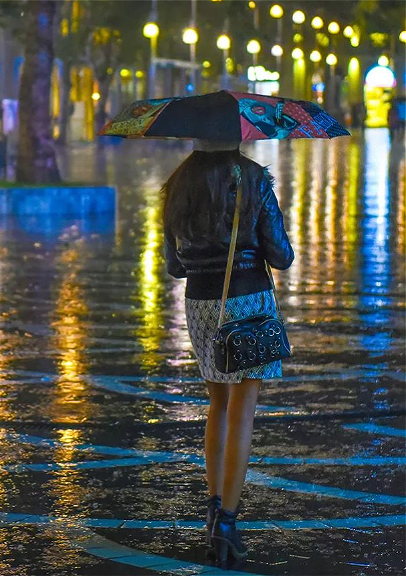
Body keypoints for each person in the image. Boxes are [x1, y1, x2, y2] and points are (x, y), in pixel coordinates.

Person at [162, 139, 294, 567]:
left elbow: (174, 265)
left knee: (217, 404)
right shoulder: (252, 178)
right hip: (247, 301)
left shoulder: (178, 183)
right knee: (243, 409)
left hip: (201, 304)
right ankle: (228, 522)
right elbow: (281, 255)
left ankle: (214, 505)